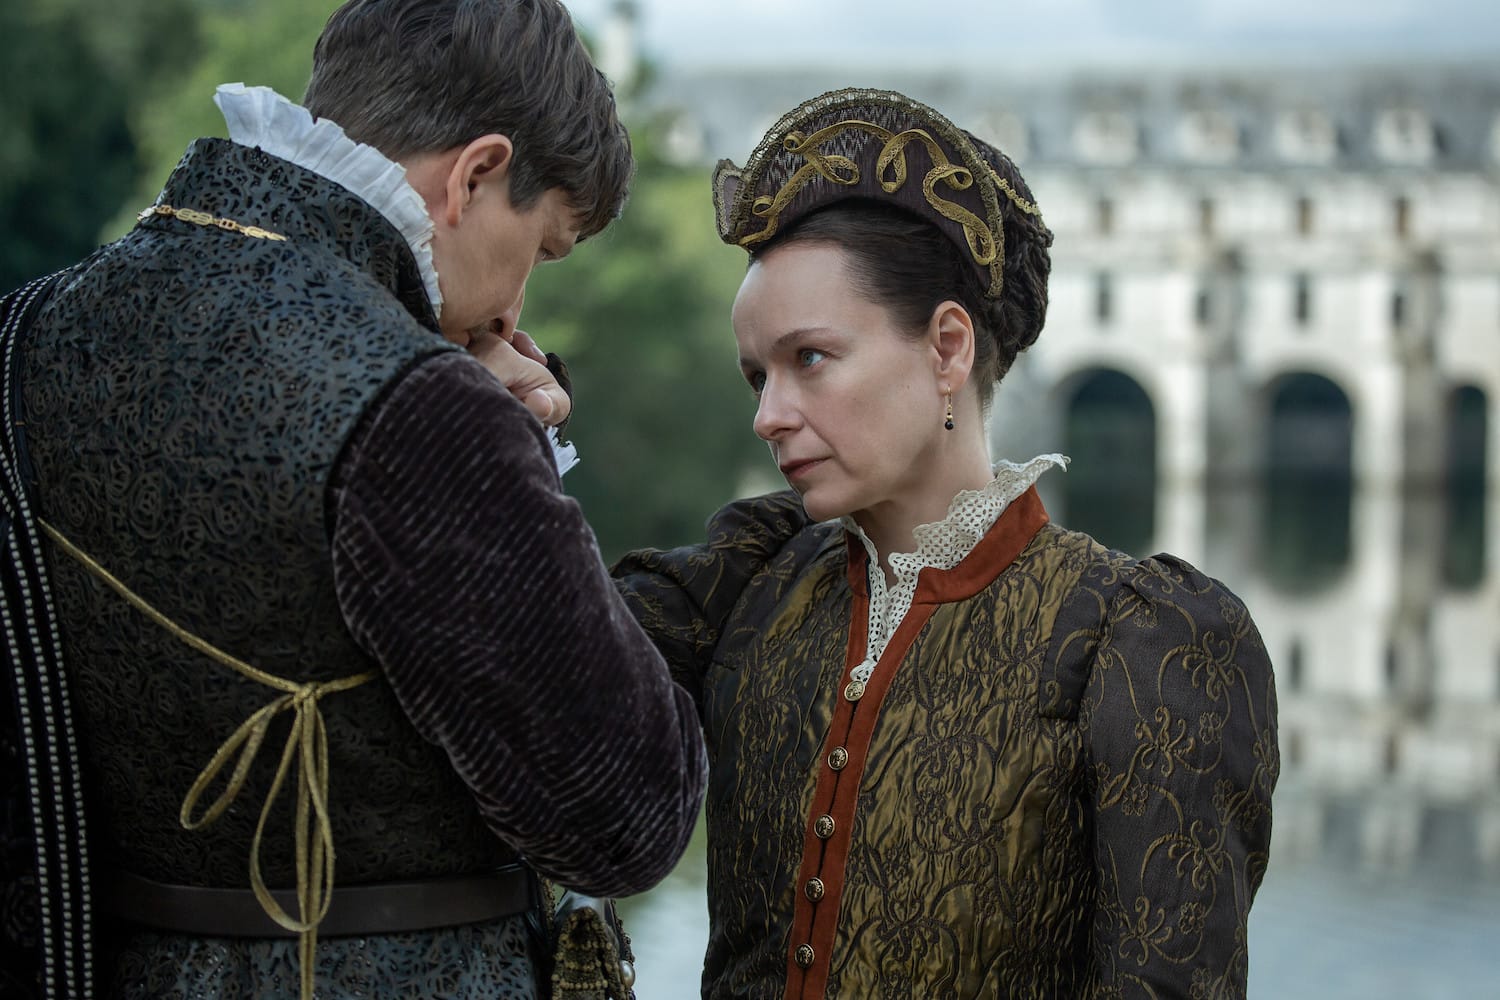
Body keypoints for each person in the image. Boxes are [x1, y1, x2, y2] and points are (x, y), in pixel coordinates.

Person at [0, 2, 704, 998]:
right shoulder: (426, 415)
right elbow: (628, 815)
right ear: (475, 175)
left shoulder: (28, 331)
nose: (517, 309)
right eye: (541, 249)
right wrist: (518, 442)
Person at [613, 88, 1280, 998]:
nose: (770, 415)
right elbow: (523, 682)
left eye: (810, 358)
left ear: (948, 350)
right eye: (757, 375)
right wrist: (504, 422)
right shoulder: (749, 581)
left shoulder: (1137, 642)